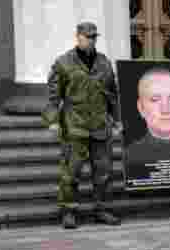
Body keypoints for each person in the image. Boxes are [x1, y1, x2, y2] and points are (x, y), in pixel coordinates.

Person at [42, 21, 122, 229]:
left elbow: (113, 95)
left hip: (99, 125)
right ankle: (69, 210)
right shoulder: (63, 63)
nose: (91, 40)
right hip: (74, 125)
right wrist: (52, 121)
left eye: (94, 37)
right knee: (71, 171)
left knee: (103, 171)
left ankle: (102, 208)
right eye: (87, 36)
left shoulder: (104, 63)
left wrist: (118, 119)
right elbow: (53, 96)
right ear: (77, 37)